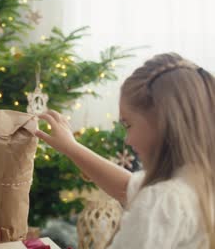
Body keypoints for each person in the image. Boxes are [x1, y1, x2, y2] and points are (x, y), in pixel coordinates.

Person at [36, 53, 215, 248]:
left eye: (128, 125)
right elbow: (126, 186)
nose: (128, 140)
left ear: (162, 124)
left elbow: (142, 194)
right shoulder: (196, 184)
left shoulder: (161, 201)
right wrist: (71, 147)